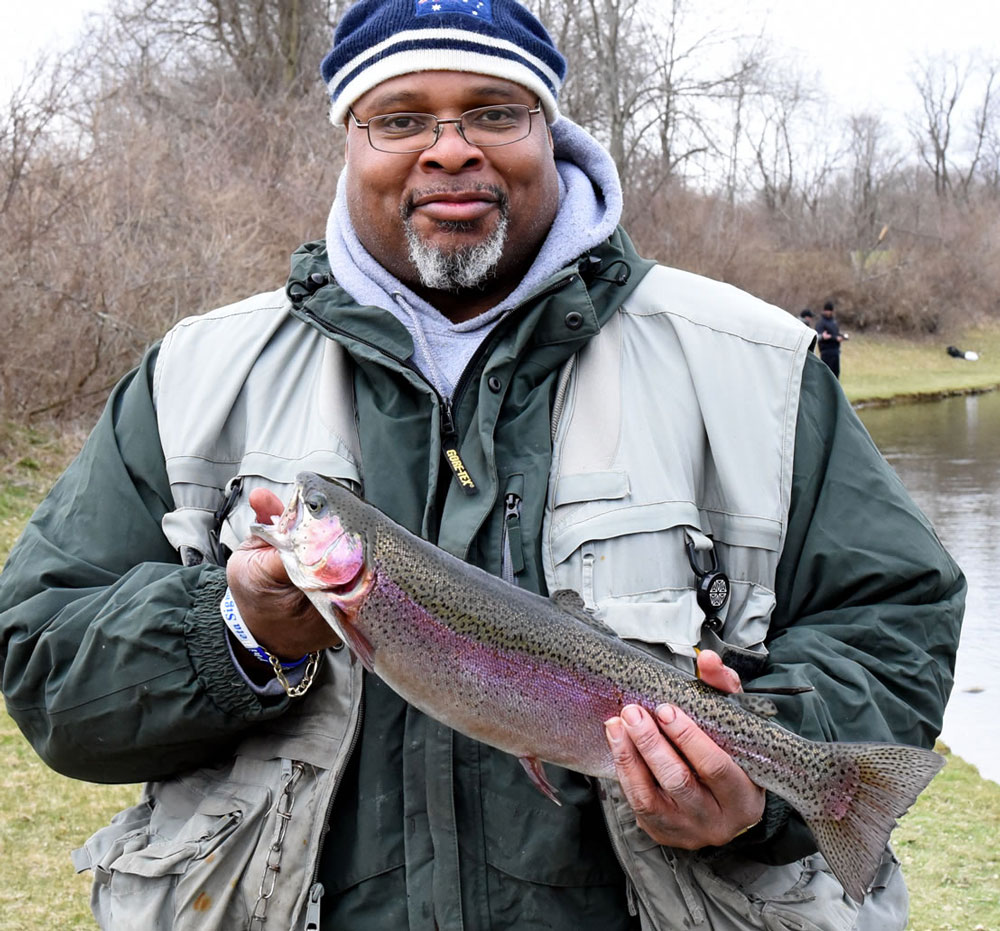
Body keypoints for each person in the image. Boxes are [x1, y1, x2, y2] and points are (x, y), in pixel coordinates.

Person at [0, 2, 963, 929]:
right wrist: (235, 634)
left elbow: (895, 613)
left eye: (494, 112)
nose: (450, 147)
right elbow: (44, 659)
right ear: (351, 143)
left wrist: (762, 791)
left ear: (552, 132)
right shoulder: (195, 375)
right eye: (400, 117)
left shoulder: (752, 363)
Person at [816, 299, 847, 378]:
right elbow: (820, 336)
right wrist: (834, 338)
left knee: (836, 373)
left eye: (830, 311)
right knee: (827, 374)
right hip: (826, 352)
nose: (829, 312)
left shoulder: (833, 322)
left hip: (835, 351)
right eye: (827, 310)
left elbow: (835, 334)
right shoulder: (821, 323)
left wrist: (842, 336)